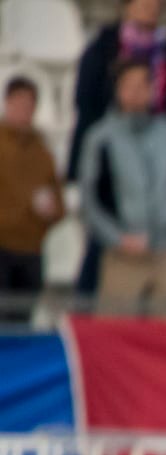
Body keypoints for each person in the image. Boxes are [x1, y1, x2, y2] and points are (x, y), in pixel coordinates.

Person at [67, 0, 166, 297]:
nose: (149, 7)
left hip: (164, 234)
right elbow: (85, 105)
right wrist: (115, 236)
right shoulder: (102, 49)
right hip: (119, 223)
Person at [79, 59, 166, 313]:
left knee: (165, 331)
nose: (136, 93)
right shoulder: (101, 137)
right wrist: (117, 237)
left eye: (143, 85)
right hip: (123, 254)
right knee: (118, 329)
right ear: (118, 90)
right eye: (128, 86)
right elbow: (89, 199)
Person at [0, 77, 64, 320]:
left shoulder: (43, 152)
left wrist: (52, 211)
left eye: (29, 105)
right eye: (18, 103)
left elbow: (59, 204)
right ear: (7, 103)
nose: (23, 110)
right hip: (1, 247)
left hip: (31, 251)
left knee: (23, 320)